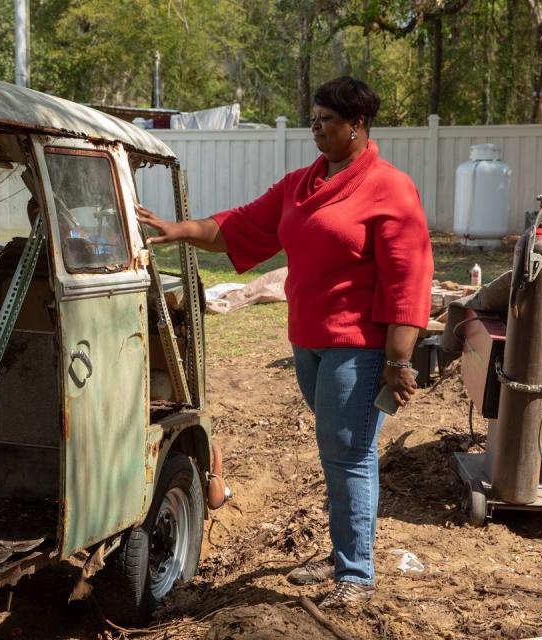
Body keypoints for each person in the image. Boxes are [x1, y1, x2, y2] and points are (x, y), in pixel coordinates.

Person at [136, 76, 434, 609]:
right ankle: (346, 551)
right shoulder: (303, 183)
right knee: (335, 452)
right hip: (309, 341)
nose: (315, 128)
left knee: (349, 454)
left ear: (358, 126)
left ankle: (357, 573)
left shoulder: (390, 187)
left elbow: (408, 278)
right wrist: (177, 228)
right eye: (313, 118)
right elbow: (242, 225)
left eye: (327, 120)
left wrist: (398, 360)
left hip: (360, 346)